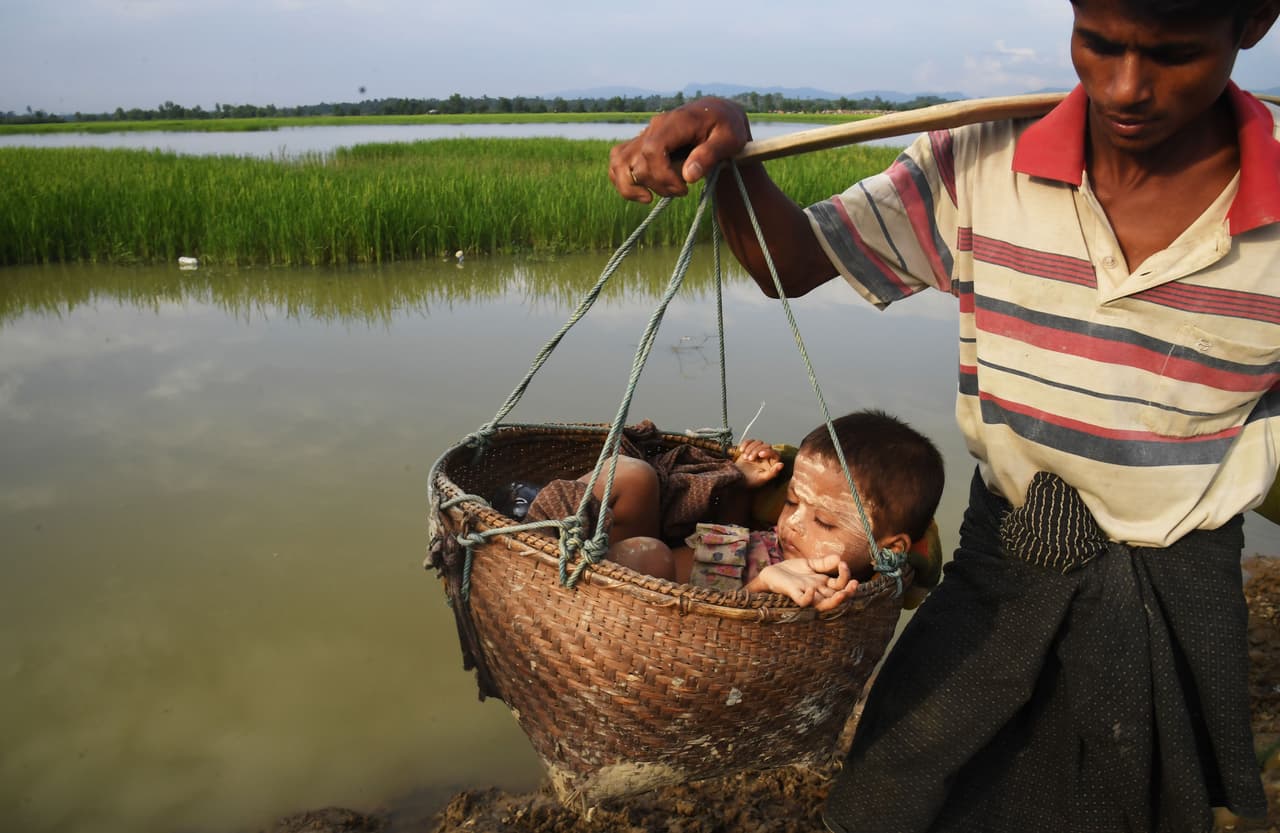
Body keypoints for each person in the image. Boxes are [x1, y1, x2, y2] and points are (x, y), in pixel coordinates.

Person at [607, 1, 1280, 831]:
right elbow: (794, 261)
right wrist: (732, 150)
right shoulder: (981, 162)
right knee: (899, 786)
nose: (1126, 86)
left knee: (1131, 805)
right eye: (1099, 44)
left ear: (1253, 22)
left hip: (1177, 588)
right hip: (1009, 562)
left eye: (1173, 54)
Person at [503, 411, 945, 611]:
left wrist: (762, 585)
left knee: (653, 554)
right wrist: (736, 477)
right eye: (792, 501)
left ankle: (544, 560)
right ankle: (538, 518)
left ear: (888, 548)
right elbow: (727, 526)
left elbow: (726, 634)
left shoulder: (833, 592)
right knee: (632, 474)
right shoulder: (789, 540)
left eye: (824, 521)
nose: (790, 522)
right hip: (652, 552)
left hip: (636, 594)